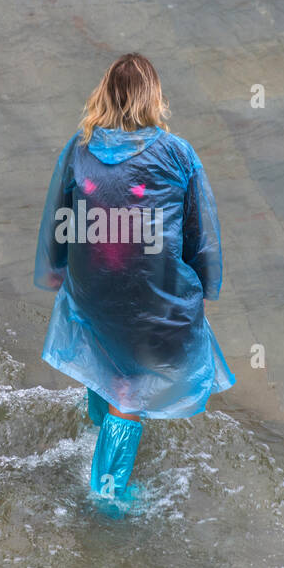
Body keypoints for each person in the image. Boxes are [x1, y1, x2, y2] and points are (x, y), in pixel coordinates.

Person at [34, 53, 235, 504]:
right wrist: (201, 287)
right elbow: (198, 233)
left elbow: (60, 218)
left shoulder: (79, 149)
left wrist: (55, 268)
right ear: (153, 100)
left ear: (103, 95)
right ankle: (106, 497)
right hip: (149, 296)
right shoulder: (177, 154)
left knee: (100, 346)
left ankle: (100, 427)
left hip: (94, 291)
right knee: (131, 386)